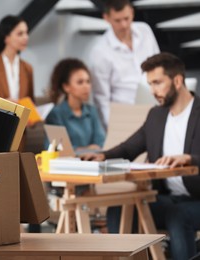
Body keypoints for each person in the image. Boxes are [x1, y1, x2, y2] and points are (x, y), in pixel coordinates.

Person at [82, 53, 200, 260]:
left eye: (157, 83)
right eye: (149, 84)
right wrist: (102, 156)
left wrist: (191, 159)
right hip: (167, 198)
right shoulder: (156, 115)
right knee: (117, 211)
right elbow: (128, 148)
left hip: (197, 199)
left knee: (178, 216)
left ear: (178, 81)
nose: (153, 91)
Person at [89, 0, 160, 129]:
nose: (124, 25)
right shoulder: (100, 51)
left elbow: (159, 66)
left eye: (127, 18)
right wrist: (112, 129)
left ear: (132, 13)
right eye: (117, 20)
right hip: (124, 117)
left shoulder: (145, 31)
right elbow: (101, 98)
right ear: (106, 18)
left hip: (154, 105)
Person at [46, 58, 105, 153]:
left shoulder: (92, 110)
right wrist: (88, 149)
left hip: (92, 163)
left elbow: (101, 143)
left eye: (88, 81)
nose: (86, 86)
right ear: (66, 87)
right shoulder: (55, 114)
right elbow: (56, 149)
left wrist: (78, 150)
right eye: (80, 82)